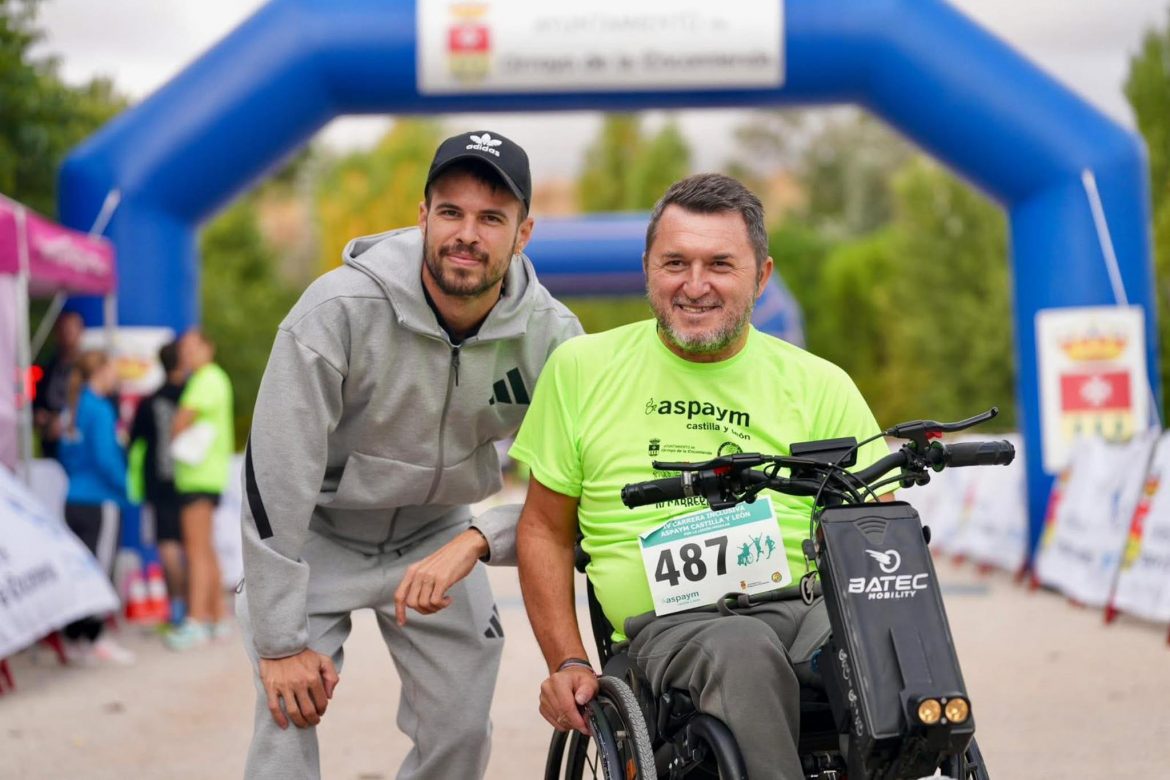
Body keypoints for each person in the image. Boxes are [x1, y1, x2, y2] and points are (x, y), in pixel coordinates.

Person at [511, 173, 892, 779]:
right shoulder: (582, 370)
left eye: (720, 264)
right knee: (740, 649)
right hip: (671, 627)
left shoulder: (821, 384)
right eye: (675, 263)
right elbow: (544, 531)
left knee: (890, 635)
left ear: (761, 277)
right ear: (646, 270)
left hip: (804, 606)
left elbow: (874, 532)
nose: (695, 285)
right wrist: (567, 662)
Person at [238, 130, 582, 779]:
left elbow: (580, 477)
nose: (467, 234)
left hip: (439, 534)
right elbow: (274, 476)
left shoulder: (553, 337)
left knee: (459, 731)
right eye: (450, 212)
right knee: (285, 716)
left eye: (491, 218)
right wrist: (279, 641)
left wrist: (481, 537)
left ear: (523, 233)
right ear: (423, 216)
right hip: (319, 532)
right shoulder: (337, 310)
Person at [56, 349, 136, 665]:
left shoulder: (73, 408)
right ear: (101, 371)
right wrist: (126, 488)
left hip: (74, 498)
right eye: (114, 369)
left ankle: (74, 638)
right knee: (99, 572)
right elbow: (106, 458)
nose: (117, 375)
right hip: (100, 501)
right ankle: (94, 637)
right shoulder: (100, 409)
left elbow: (67, 454)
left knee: (82, 571)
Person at [165, 329, 234, 650]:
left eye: (193, 348)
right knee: (205, 548)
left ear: (208, 347)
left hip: (198, 476)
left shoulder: (206, 379)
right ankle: (217, 617)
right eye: (184, 350)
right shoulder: (214, 378)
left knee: (195, 550)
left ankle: (195, 620)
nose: (188, 355)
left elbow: (181, 420)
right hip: (208, 476)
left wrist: (173, 434)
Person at [128, 340, 188, 624]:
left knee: (167, 543)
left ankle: (177, 607)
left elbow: (132, 440)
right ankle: (194, 606)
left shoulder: (149, 401)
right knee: (194, 543)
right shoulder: (192, 394)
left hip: (158, 480)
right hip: (190, 478)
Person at [33, 311, 84, 459]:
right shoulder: (48, 368)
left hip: (77, 447)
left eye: (70, 331)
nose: (66, 335)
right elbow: (37, 402)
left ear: (80, 332)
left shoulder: (86, 369)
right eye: (62, 330)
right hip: (51, 445)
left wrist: (62, 421)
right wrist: (39, 415)